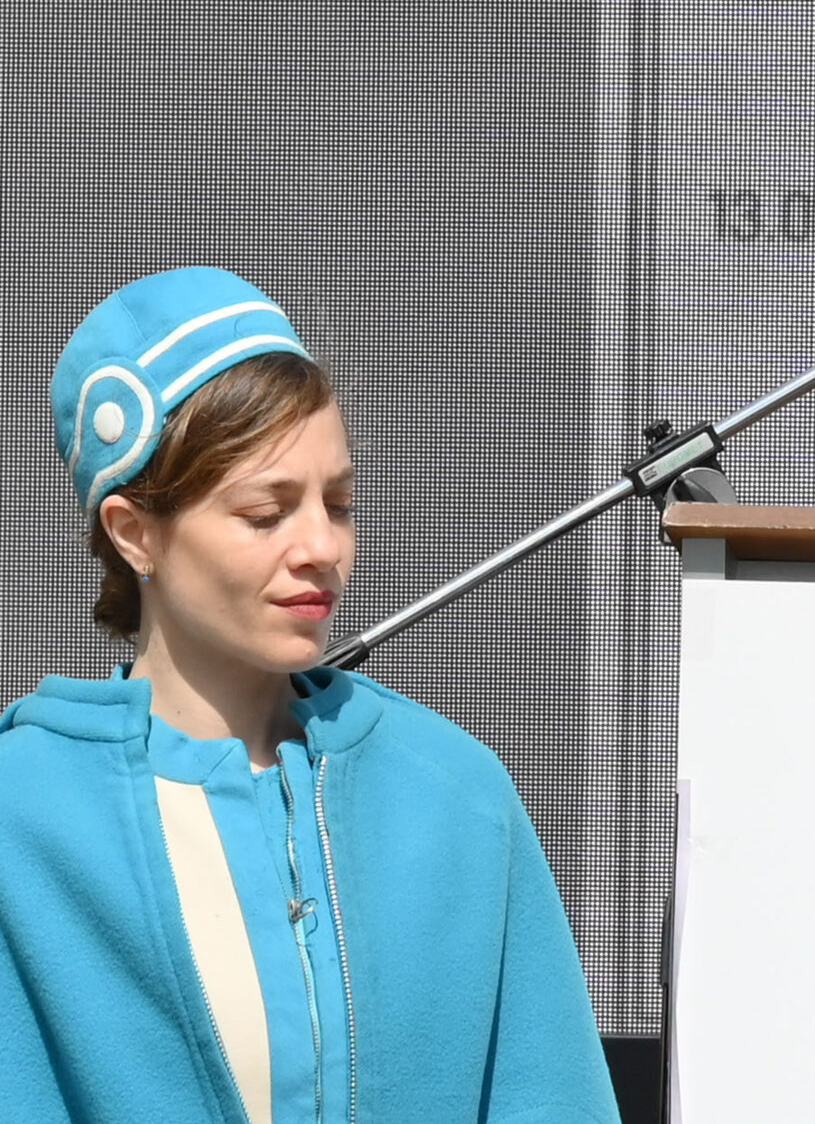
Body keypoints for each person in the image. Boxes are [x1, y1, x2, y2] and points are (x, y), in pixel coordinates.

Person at [0, 267, 619, 1124]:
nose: (323, 547)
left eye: (340, 502)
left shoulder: (456, 797)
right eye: (267, 512)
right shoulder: (23, 816)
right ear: (133, 532)